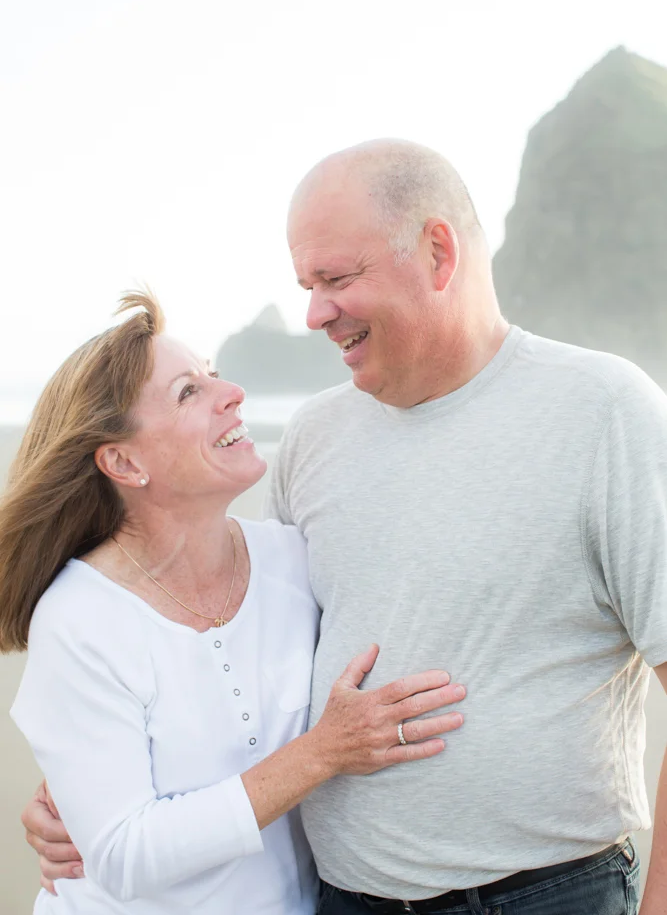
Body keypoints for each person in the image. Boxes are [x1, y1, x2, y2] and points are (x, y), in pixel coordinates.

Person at [22, 137, 667, 913]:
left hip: (547, 894)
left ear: (436, 252)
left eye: (336, 279)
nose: (314, 311)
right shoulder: (314, 437)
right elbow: (259, 676)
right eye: (305, 284)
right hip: (343, 897)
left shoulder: (604, 411)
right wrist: (87, 792)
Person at [1, 289, 467, 915]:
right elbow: (124, 854)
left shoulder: (293, 560)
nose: (232, 394)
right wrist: (323, 752)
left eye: (214, 374)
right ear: (122, 460)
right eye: (188, 392)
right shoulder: (81, 617)